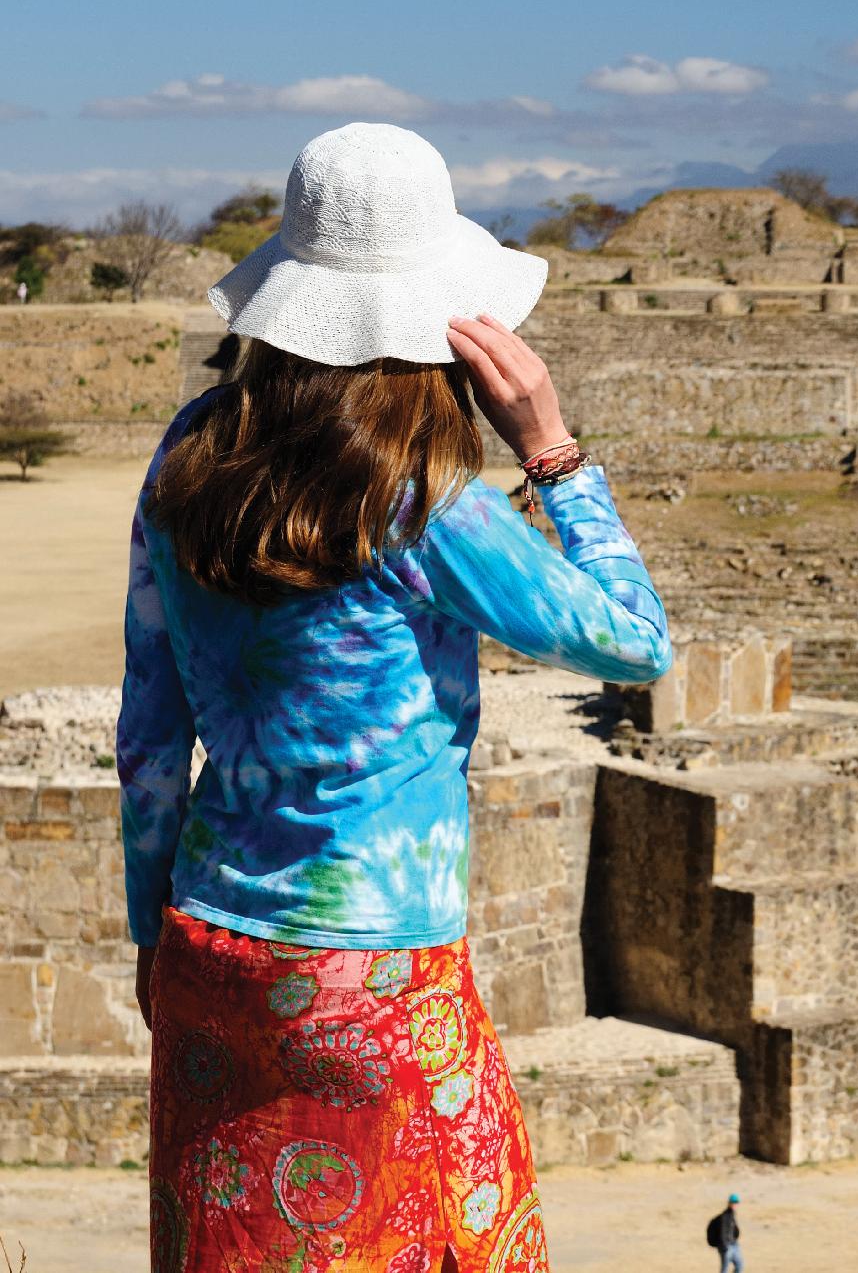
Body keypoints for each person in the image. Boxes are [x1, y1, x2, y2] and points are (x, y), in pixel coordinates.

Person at [120, 122, 673, 1271]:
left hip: (212, 944)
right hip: (377, 970)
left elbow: (150, 738)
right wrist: (554, 453)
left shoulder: (188, 455)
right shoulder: (422, 501)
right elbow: (634, 642)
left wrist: (147, 933)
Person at [707, 1193, 743, 1271]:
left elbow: (735, 1231)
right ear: (729, 1203)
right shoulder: (724, 1217)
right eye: (733, 1202)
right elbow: (722, 1233)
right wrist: (724, 1247)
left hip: (734, 1245)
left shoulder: (732, 1215)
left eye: (736, 1203)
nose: (735, 1205)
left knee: (739, 1265)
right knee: (725, 1269)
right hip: (726, 1247)